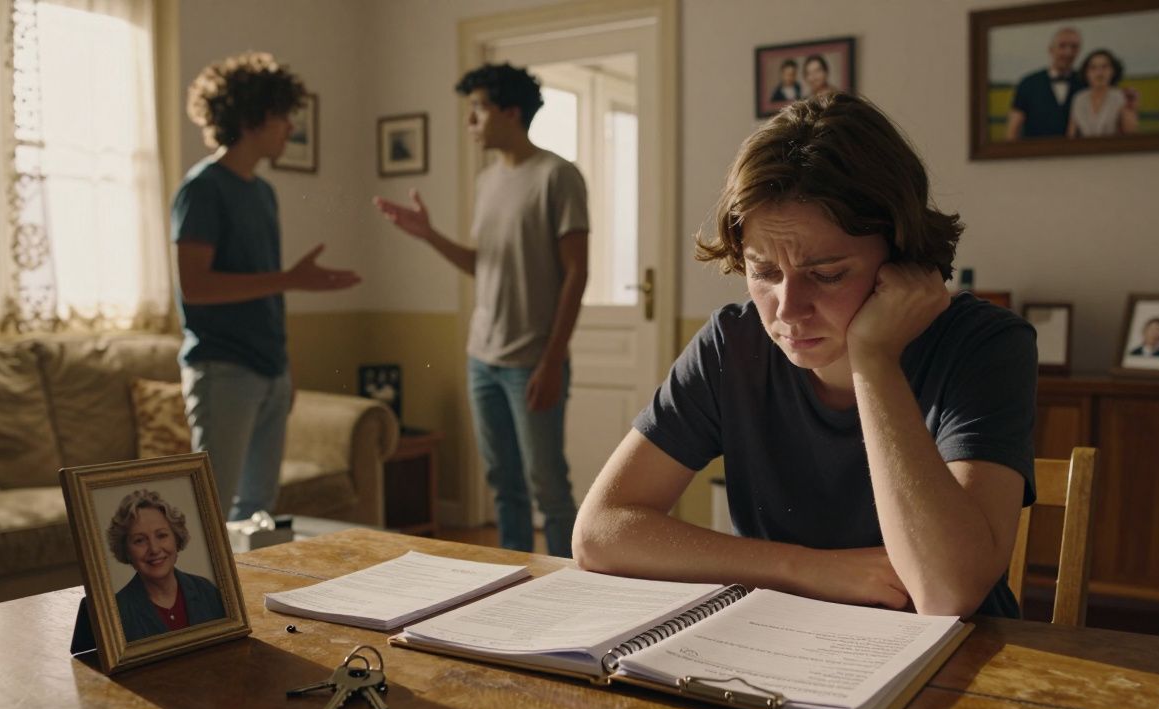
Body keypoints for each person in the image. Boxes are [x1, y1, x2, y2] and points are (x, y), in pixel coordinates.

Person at [572, 93, 1038, 618]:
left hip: (963, 665)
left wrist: (874, 359)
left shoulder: (985, 346)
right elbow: (600, 531)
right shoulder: (734, 343)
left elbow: (946, 593)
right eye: (764, 272)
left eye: (827, 273)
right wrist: (808, 567)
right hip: (788, 646)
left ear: (903, 256)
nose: (788, 310)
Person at [373, 63, 589, 558]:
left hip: (532, 361)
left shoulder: (558, 176)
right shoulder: (488, 180)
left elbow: (577, 273)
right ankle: (511, 575)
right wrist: (428, 235)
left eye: (478, 110)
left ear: (510, 112)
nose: (470, 122)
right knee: (502, 482)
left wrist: (553, 360)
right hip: (482, 358)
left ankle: (571, 579)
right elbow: (483, 263)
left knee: (548, 486)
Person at [173, 52, 360, 521]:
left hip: (269, 370)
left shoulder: (262, 192)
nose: (289, 130)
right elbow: (194, 287)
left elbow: (267, 295)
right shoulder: (202, 189)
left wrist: (284, 366)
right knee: (209, 510)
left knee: (258, 511)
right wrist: (292, 279)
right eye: (282, 118)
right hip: (223, 372)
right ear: (254, 118)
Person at [107, 488, 225, 642]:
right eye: (139, 540)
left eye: (161, 535)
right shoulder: (117, 613)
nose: (154, 549)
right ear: (126, 550)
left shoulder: (207, 591)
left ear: (176, 539)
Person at [1005, 27, 1085, 140]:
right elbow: (1013, 129)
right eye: (1062, 46)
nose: (1068, 52)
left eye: (1074, 47)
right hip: (1035, 154)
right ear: (1050, 49)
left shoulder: (1085, 82)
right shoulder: (1028, 83)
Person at [1067, 49, 1139, 138]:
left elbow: (1130, 133)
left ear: (1113, 71)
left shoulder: (1120, 97)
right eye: (1093, 68)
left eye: (1104, 67)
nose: (1099, 73)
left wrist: (1130, 110)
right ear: (1086, 73)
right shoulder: (1079, 98)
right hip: (1084, 150)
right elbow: (1071, 134)